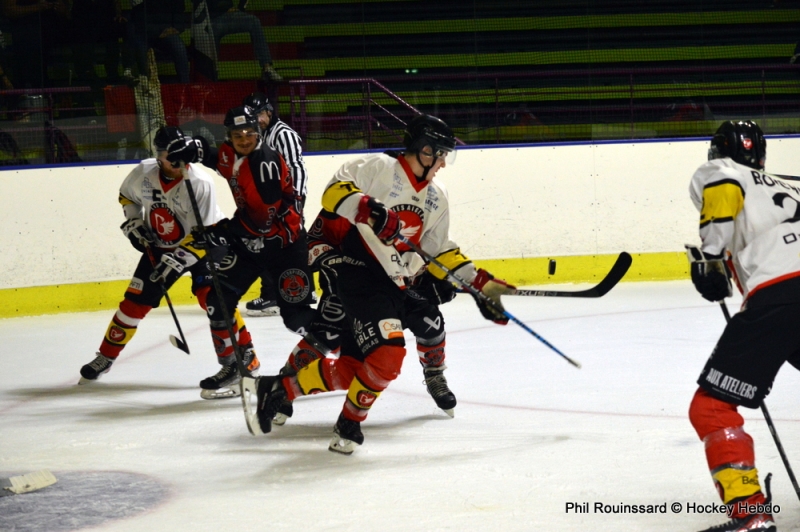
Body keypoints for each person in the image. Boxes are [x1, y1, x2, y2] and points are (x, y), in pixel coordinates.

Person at [245, 114, 516, 454]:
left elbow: (439, 250)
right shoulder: (379, 167)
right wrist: (371, 211)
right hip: (362, 274)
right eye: (442, 154)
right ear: (425, 150)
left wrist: (480, 284)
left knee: (355, 368)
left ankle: (280, 388)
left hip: (400, 283)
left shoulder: (437, 195)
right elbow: (333, 194)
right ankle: (348, 423)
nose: (444, 163)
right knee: (386, 355)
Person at [78, 126, 262, 393]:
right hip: (161, 247)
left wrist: (177, 260)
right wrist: (134, 221)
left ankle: (244, 358)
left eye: (180, 153)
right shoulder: (143, 172)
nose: (177, 160)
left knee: (215, 300)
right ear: (158, 155)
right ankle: (105, 356)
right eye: (169, 154)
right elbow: (127, 196)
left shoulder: (199, 182)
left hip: (207, 245)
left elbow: (206, 233)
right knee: (133, 304)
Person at [152, 105, 317, 397]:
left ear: (259, 133)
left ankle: (347, 349)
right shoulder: (231, 152)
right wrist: (192, 147)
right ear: (229, 136)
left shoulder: (264, 163)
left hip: (284, 245)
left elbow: (262, 222)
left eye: (250, 133)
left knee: (296, 317)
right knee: (218, 299)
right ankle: (236, 365)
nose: (244, 139)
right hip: (252, 243)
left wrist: (219, 233)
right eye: (237, 134)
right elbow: (215, 156)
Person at [687, 120, 800, 532]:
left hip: (780, 294)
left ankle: (750, 514)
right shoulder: (787, 188)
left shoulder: (720, 171)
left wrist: (711, 256)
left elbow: (722, 191)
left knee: (712, 407)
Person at [266, 207, 460, 428]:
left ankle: (434, 374)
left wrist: (439, 275)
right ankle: (282, 385)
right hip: (354, 289)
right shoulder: (348, 201)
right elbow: (314, 242)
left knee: (430, 321)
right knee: (328, 333)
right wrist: (336, 262)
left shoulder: (418, 200)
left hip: (400, 289)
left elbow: (436, 245)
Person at [240, 91, 308, 317]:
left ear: (269, 112)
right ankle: (302, 291)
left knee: (272, 242)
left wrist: (294, 202)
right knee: (286, 243)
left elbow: (295, 167)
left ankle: (271, 296)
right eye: (252, 115)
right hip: (274, 201)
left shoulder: (283, 134)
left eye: (259, 114)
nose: (256, 119)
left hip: (287, 200)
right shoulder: (263, 135)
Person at [204, 0, 282, 82]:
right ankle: (211, 76)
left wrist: (240, 8)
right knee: (211, 32)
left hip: (230, 15)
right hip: (212, 19)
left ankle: (267, 68)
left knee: (254, 21)